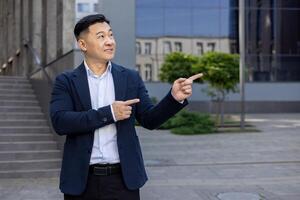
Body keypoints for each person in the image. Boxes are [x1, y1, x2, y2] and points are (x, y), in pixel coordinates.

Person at [50, 14, 202, 200]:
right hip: (81, 182)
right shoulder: (66, 81)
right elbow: (60, 122)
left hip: (123, 181)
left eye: (111, 35)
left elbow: (149, 119)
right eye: (101, 36)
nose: (109, 41)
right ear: (83, 45)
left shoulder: (129, 78)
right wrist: (110, 113)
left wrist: (173, 98)